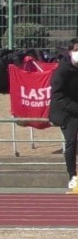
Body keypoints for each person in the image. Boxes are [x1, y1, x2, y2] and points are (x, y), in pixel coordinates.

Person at [49, 38, 78, 193]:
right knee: (72, 141)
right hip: (65, 111)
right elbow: (58, 95)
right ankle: (72, 176)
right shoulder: (62, 71)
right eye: (76, 49)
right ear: (70, 52)